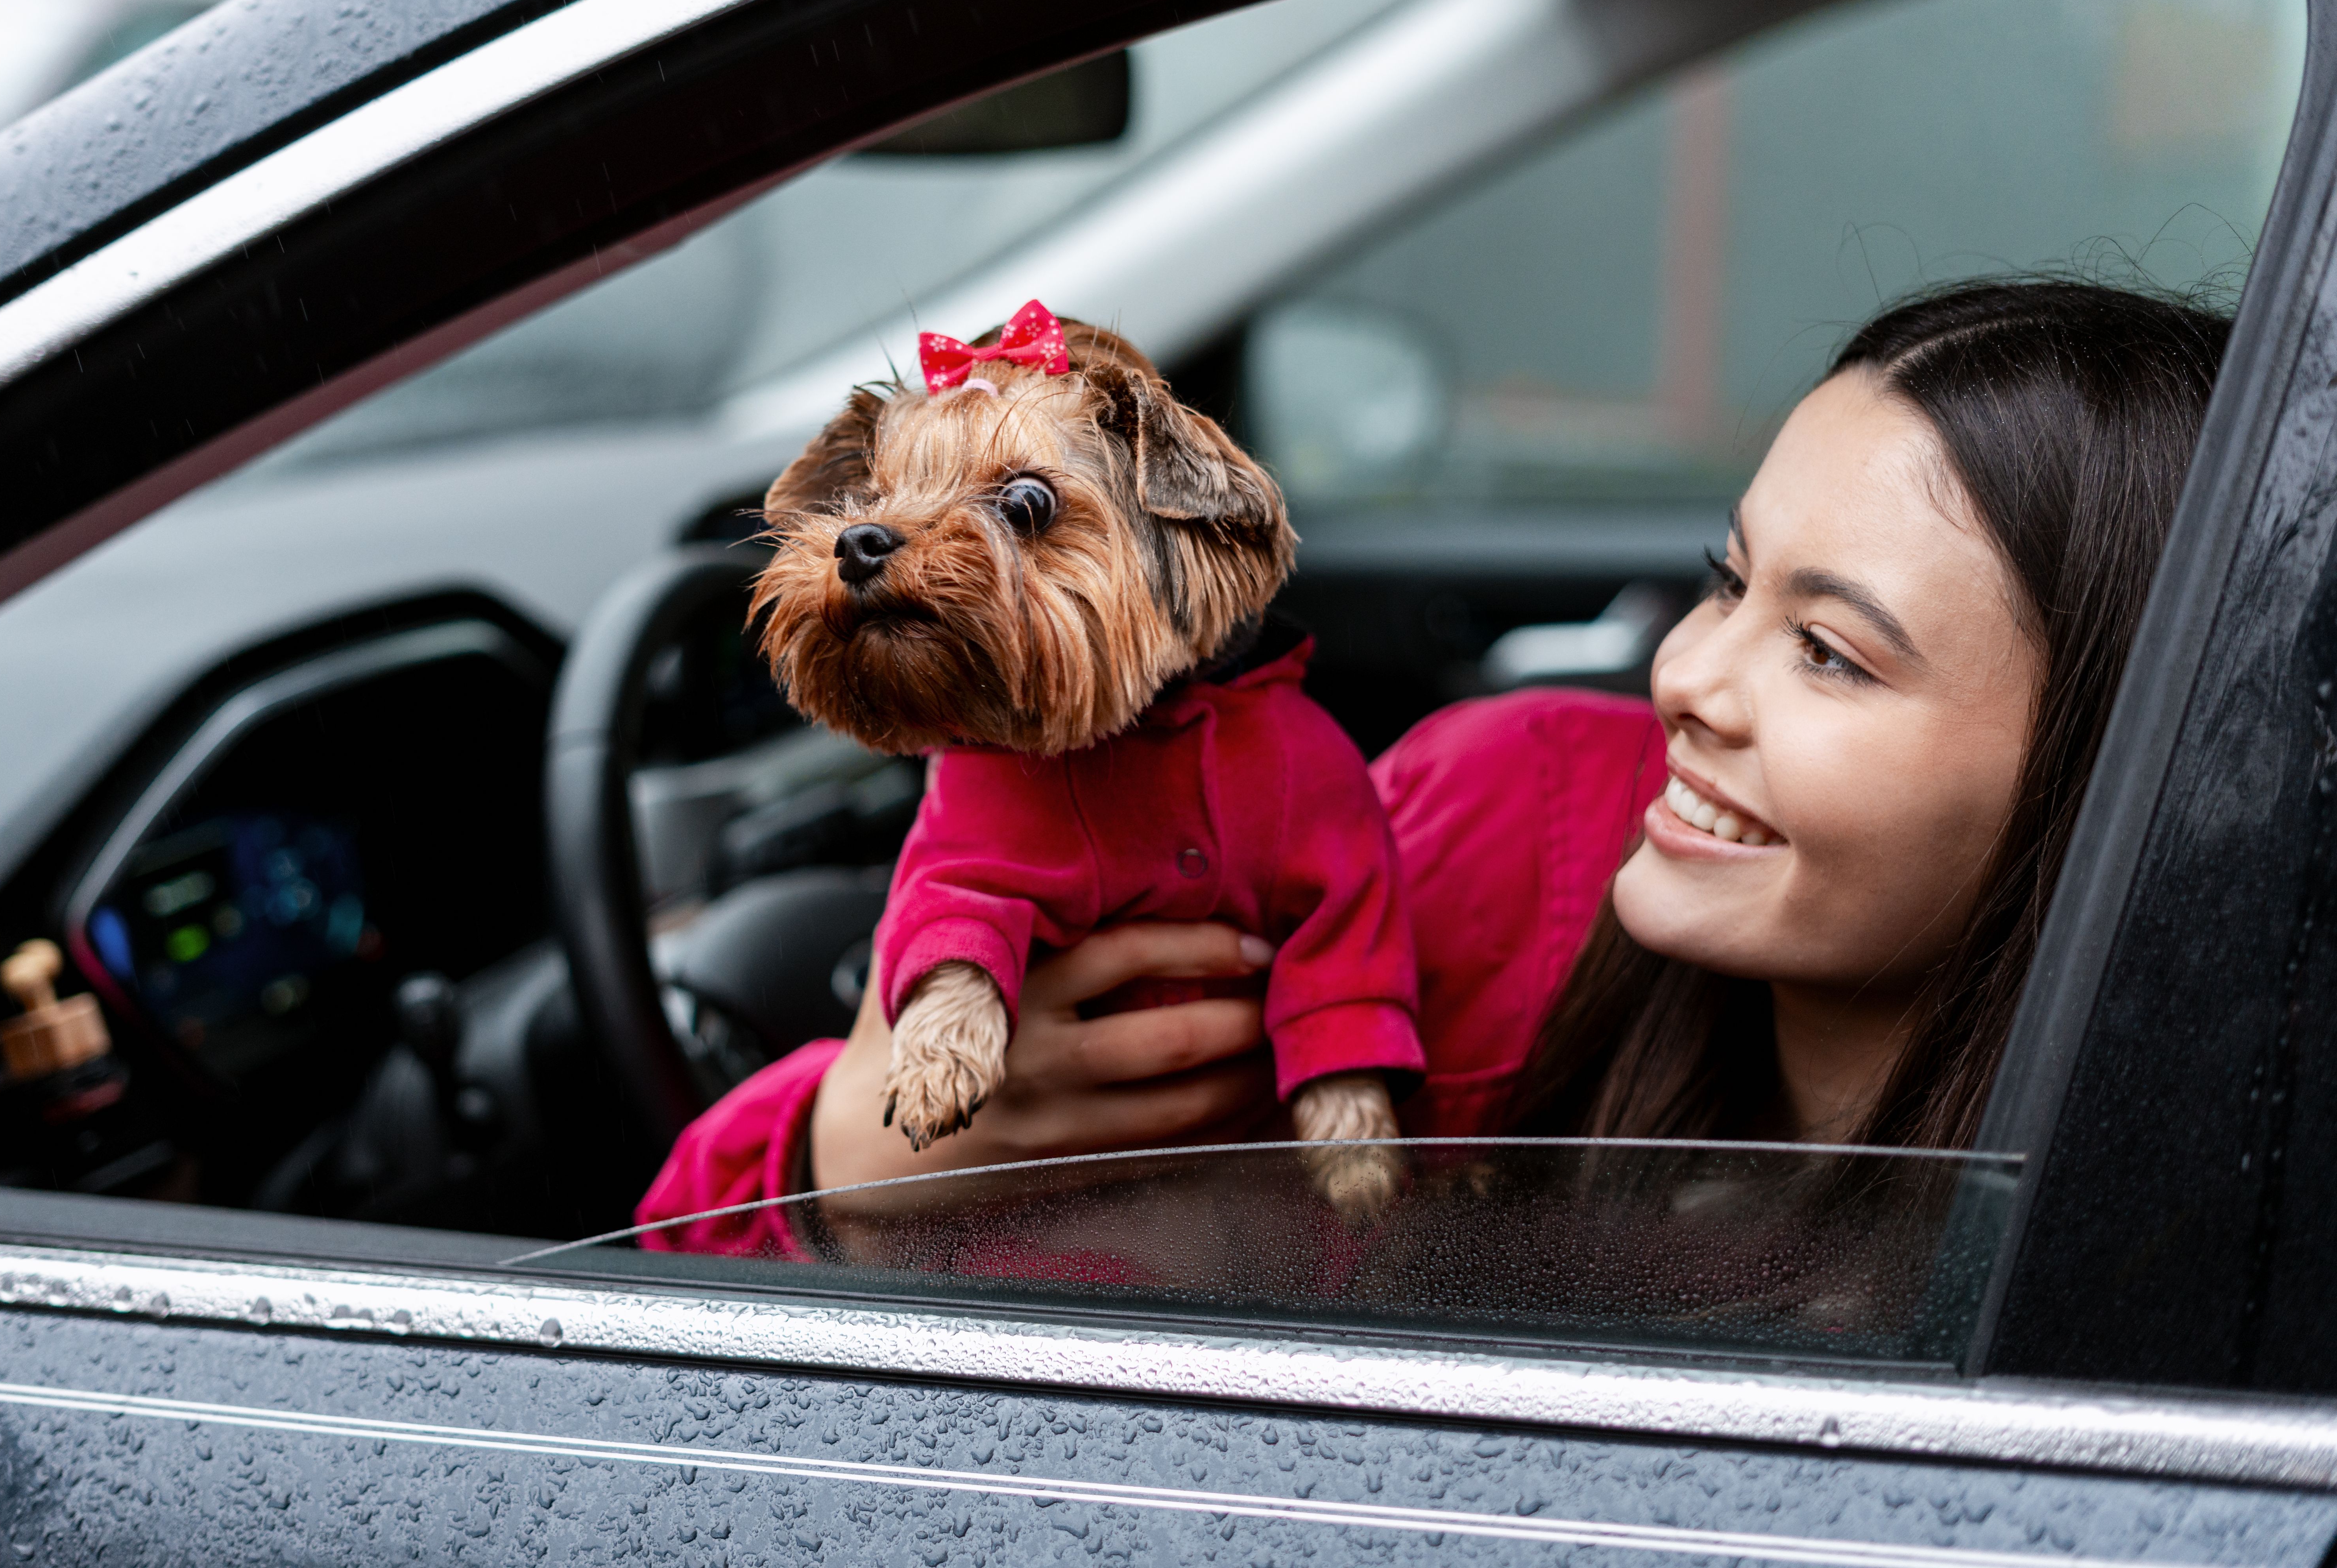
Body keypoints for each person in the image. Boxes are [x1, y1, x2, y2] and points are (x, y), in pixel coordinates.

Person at [635, 276, 2230, 1257]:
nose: (1685, 680)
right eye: (1726, 582)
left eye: (1829, 651)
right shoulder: (1510, 824)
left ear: (2124, 759)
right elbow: (679, 1264)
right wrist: (863, 1158)